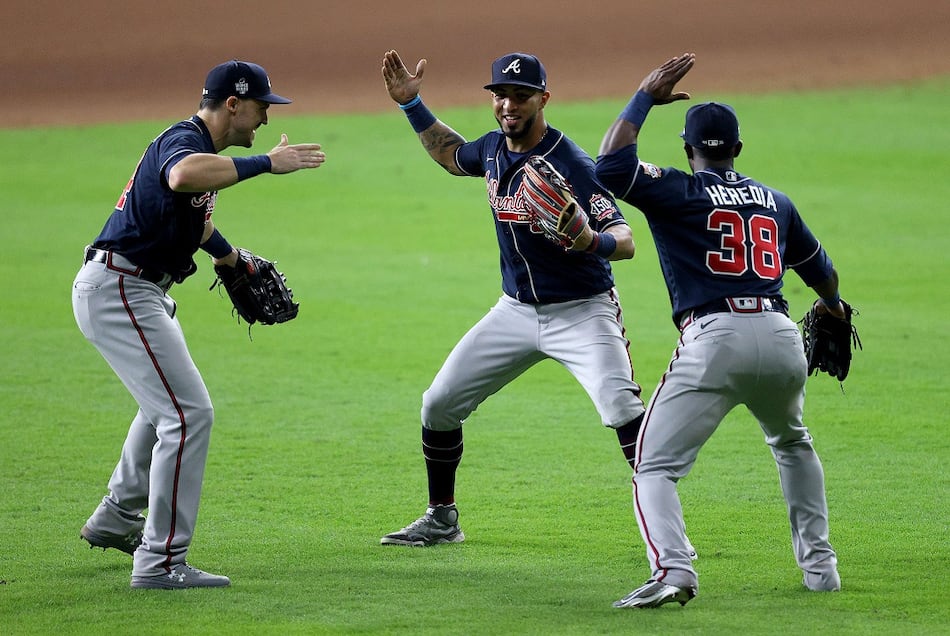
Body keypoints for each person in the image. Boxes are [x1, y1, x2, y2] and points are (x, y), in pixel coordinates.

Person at [595, 53, 843, 608]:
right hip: (780, 337)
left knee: (653, 467)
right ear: (737, 149)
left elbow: (608, 168)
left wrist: (643, 96)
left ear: (689, 149)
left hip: (715, 338)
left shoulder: (679, 190)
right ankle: (822, 573)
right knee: (792, 444)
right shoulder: (776, 202)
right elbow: (822, 271)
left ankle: (674, 571)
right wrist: (833, 305)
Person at [378, 50, 649, 547]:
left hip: (583, 311)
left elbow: (625, 239)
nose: (509, 105)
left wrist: (593, 240)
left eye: (521, 96)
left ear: (543, 99)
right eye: (501, 94)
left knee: (621, 408)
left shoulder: (571, 163)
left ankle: (667, 528)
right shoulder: (490, 151)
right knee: (438, 404)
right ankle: (441, 518)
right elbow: (449, 154)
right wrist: (411, 104)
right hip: (515, 311)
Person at [72, 60, 325, 589]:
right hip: (121, 289)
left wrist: (229, 258)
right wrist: (267, 163)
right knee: (188, 416)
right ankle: (162, 562)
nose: (262, 119)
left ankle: (117, 517)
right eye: (260, 107)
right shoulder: (184, 140)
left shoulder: (200, 148)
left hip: (134, 289)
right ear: (232, 104)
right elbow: (182, 176)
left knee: (164, 408)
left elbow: (196, 216)